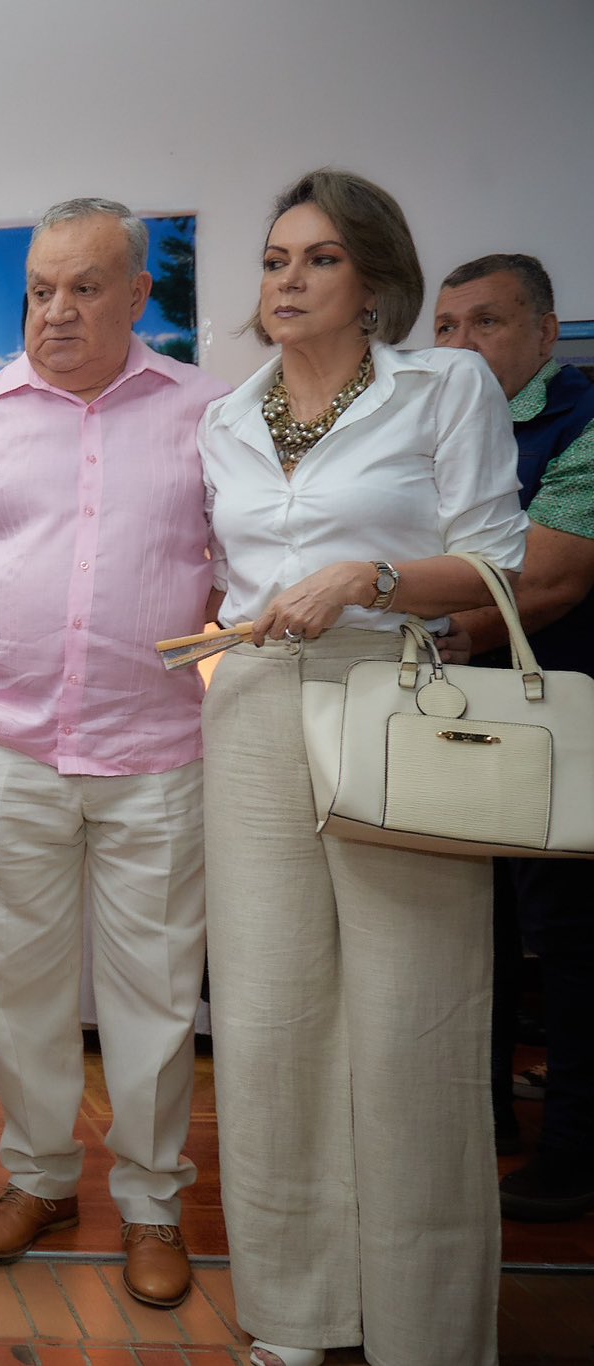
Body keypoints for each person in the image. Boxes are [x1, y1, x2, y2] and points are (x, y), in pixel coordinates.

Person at [199, 169, 527, 1366]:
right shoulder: (223, 414)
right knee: (267, 1019)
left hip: (400, 696)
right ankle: (291, 1315)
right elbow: (226, 573)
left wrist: (368, 577)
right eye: (275, 259)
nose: (287, 280)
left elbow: (494, 566)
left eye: (317, 259)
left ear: (373, 280)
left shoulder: (442, 388)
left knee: (410, 1020)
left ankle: (424, 1335)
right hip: (247, 709)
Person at [0, 198, 227, 1311]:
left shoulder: (207, 413)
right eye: (38, 288)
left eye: (83, 287)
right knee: (18, 987)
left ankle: (149, 1202)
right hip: (7, 754)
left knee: (153, 993)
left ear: (136, 296)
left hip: (157, 756)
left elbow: (250, 572)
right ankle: (38, 1179)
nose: (55, 309)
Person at [435, 252, 594, 1223]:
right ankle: (478, 1120)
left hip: (558, 727)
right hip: (461, 725)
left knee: (570, 940)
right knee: (471, 927)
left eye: (483, 324)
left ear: (542, 332)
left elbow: (546, 580)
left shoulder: (578, 426)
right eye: (443, 327)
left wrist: (415, 622)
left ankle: (572, 1152)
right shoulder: (440, 427)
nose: (456, 346)